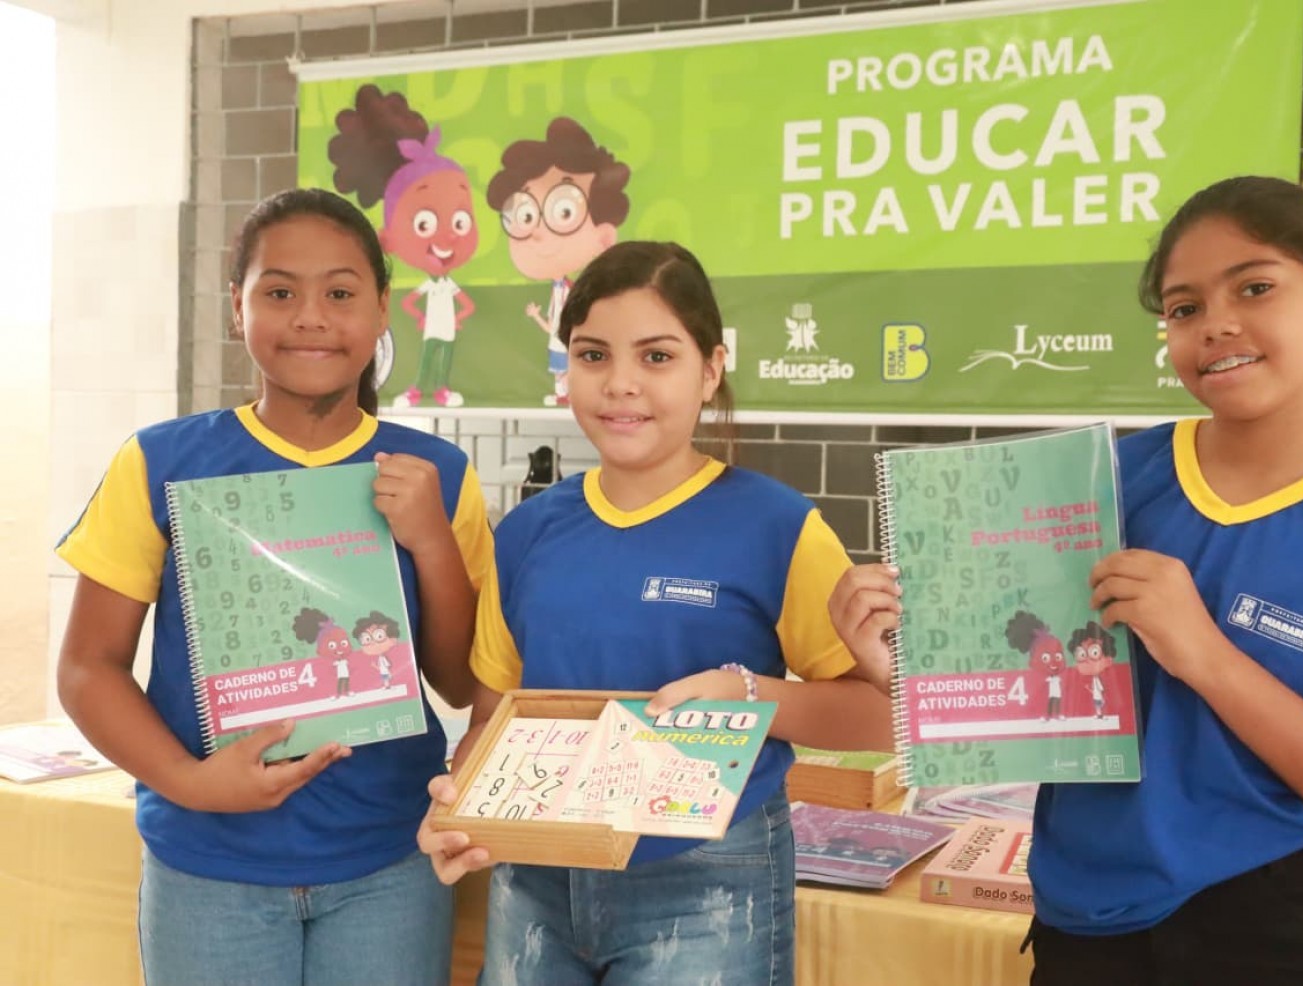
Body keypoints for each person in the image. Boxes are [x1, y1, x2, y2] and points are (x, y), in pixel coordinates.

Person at [828, 176, 1303, 985]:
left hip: (1277, 939)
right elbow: (1028, 707)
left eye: (1255, 287)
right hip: (1085, 935)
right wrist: (898, 672)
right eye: (1184, 308)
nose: (1217, 324)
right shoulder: (1101, 483)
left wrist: (1206, 655)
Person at [417, 240, 893, 986]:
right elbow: (491, 721)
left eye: (657, 357)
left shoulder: (779, 527)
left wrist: (747, 695)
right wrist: (460, 806)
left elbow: (881, 717)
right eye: (593, 355)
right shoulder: (529, 532)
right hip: (536, 878)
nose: (621, 384)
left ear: (711, 368)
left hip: (707, 882)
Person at [55, 187, 494, 986]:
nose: (311, 318)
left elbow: (462, 679)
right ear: (238, 306)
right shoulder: (159, 462)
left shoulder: (438, 475)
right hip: (208, 867)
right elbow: (88, 667)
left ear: (382, 307)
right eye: (280, 292)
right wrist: (191, 782)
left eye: (340, 294)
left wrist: (431, 539)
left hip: (387, 863)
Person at [329, 83, 480, 409]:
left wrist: (459, 318)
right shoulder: (426, 285)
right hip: (431, 330)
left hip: (446, 329)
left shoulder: (446, 284)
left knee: (443, 356)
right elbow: (411, 301)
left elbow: (465, 303)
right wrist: (421, 317)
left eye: (460, 222)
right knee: (428, 358)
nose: (446, 239)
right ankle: (417, 389)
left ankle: (440, 390)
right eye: (424, 224)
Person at [486, 117, 630, 407]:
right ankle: (562, 392)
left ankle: (568, 391)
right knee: (560, 365)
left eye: (564, 212)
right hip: (558, 341)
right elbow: (553, 323)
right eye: (525, 216)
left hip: (571, 346)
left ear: (604, 236)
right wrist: (537, 316)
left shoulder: (585, 295)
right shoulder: (558, 290)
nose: (538, 233)